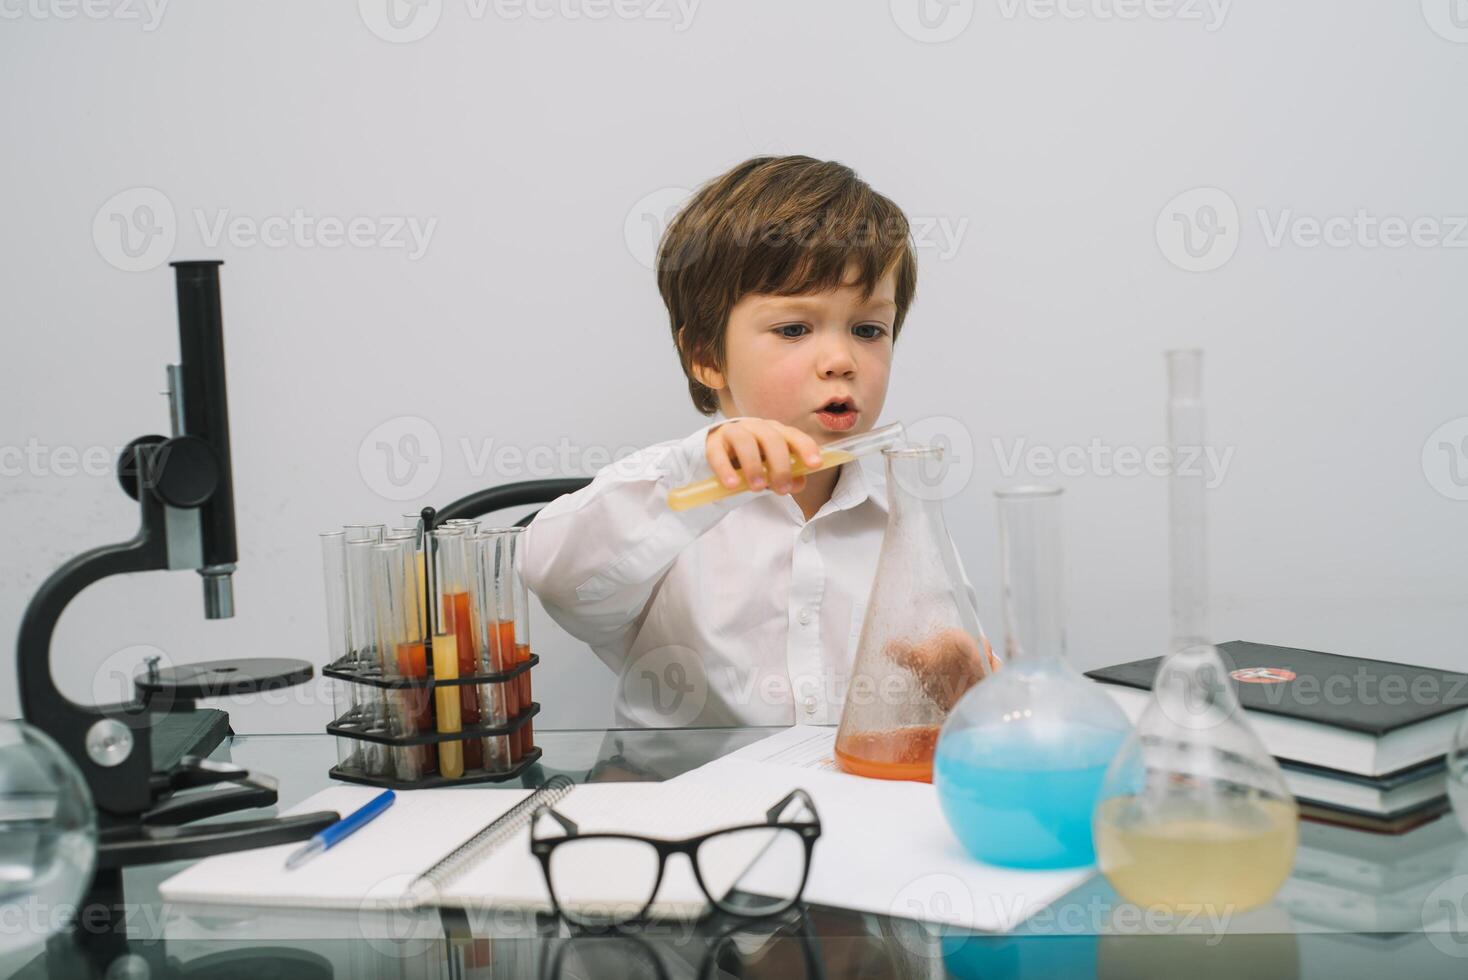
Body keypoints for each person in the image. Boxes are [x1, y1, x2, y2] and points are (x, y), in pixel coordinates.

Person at [523, 155, 988, 728]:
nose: (841, 360)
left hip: (854, 809)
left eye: (869, 330)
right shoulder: (671, 497)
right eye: (794, 329)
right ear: (706, 357)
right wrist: (700, 471)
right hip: (686, 809)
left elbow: (958, 688)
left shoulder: (907, 521)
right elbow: (554, 576)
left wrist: (961, 688)